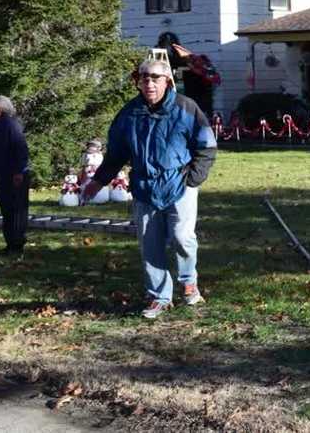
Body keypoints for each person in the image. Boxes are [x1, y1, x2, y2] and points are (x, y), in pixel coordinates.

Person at [82, 59, 217, 319]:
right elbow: (116, 154)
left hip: (180, 184)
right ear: (138, 81)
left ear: (167, 80)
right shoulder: (129, 113)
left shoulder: (186, 108)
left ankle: (189, 284)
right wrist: (98, 182)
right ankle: (159, 297)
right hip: (144, 187)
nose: (149, 82)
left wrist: (194, 178)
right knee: (150, 245)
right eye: (144, 77)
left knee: (182, 237)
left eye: (155, 77)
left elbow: (207, 146)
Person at [0, 96, 30, 255]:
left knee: (16, 210)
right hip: (2, 174)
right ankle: (10, 243)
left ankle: (17, 245)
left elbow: (20, 148)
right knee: (6, 209)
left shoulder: (10, 124)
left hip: (15, 174)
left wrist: (19, 171)